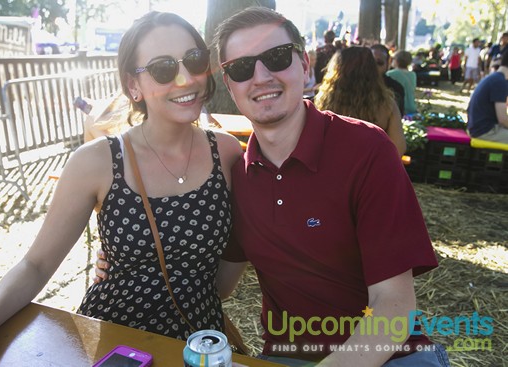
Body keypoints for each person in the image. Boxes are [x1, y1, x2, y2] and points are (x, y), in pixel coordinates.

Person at [95, 6, 449, 367]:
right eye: (242, 68)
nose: (261, 76)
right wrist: (133, 262)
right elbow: (219, 285)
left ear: (306, 66)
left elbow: (395, 304)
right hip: (288, 356)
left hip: (392, 354)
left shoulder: (366, 150)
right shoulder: (237, 173)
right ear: (230, 86)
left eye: (277, 58)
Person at [0, 11, 244, 366]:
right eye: (161, 68)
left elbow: (227, 273)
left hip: (199, 345)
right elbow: (36, 264)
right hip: (117, 344)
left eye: (194, 60)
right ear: (133, 86)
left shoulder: (228, 152)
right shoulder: (97, 161)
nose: (185, 79)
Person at [314, 46, 406, 156]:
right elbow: (398, 148)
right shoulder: (386, 105)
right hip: (371, 168)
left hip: (333, 168)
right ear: (372, 70)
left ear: (336, 71)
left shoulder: (323, 102)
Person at [467, 50, 508, 143]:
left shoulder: (495, 78)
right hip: (486, 131)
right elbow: (503, 119)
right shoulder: (499, 82)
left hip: (480, 128)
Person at [370, 43, 405, 115]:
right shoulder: (354, 86)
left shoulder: (396, 88)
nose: (374, 67)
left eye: (379, 63)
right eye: (370, 62)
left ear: (387, 64)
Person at [386, 50, 418, 115]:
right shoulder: (413, 74)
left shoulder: (390, 74)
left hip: (399, 108)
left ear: (396, 60)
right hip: (412, 106)